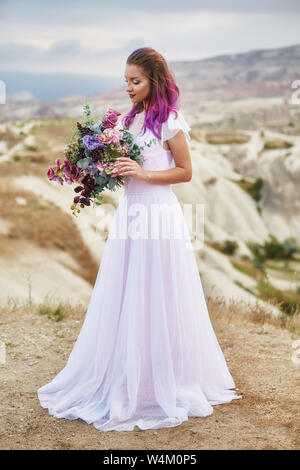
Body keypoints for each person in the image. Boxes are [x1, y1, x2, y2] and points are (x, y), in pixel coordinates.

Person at [37, 47, 242, 432]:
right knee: (128, 291)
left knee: (159, 293)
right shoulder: (129, 121)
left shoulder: (171, 122)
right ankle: (126, 373)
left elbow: (185, 172)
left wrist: (143, 174)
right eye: (126, 80)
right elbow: (128, 168)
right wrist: (101, 170)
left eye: (136, 81)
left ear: (155, 80)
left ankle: (162, 381)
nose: (128, 87)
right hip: (131, 214)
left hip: (159, 215)